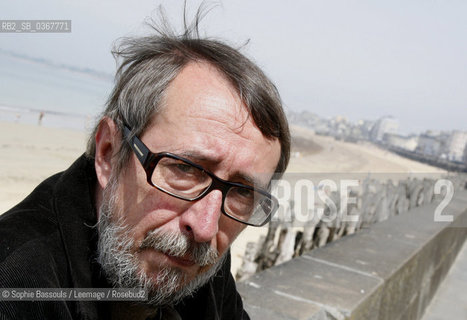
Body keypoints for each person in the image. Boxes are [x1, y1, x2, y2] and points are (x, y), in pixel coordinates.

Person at [0, 10, 290, 320]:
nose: (205, 228)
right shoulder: (17, 287)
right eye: (185, 169)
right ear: (109, 153)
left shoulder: (195, 244)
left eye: (241, 192)